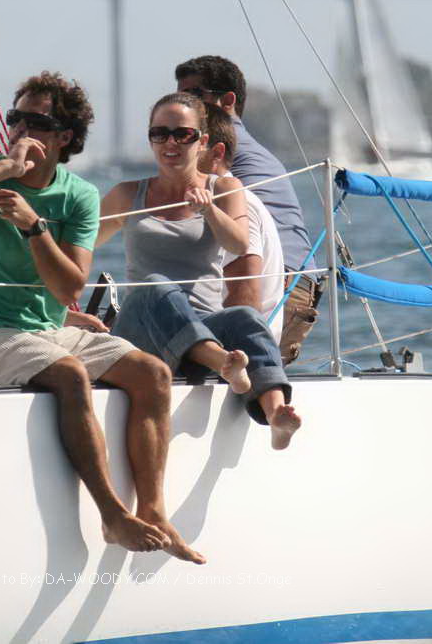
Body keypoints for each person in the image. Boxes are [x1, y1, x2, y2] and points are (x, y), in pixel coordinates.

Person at [0, 72, 204, 564]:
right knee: (70, 374)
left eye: (36, 122)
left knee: (152, 372)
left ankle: (154, 512)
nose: (20, 129)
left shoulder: (79, 196)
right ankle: (112, 515)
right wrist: (6, 167)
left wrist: (35, 228)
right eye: (15, 119)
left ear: (64, 137)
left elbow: (70, 288)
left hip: (44, 332)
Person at [99, 92, 301, 451]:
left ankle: (275, 416)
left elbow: (239, 242)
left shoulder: (224, 188)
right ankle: (221, 361)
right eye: (159, 134)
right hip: (143, 334)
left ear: (203, 141)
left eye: (183, 134)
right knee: (156, 286)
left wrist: (209, 211)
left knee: (244, 318)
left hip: (204, 326)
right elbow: (80, 245)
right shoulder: (126, 194)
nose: (170, 143)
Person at [175, 55, 321, 364]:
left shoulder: (225, 157)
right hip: (285, 281)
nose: (184, 105)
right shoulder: (242, 151)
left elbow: (245, 250)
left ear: (228, 100)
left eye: (194, 95)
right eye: (180, 96)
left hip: (276, 286)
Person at [198, 103, 285, 344]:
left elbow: (245, 297)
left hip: (235, 347)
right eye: (159, 136)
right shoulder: (213, 198)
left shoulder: (234, 203)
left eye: (185, 139)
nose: (170, 148)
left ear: (216, 153)